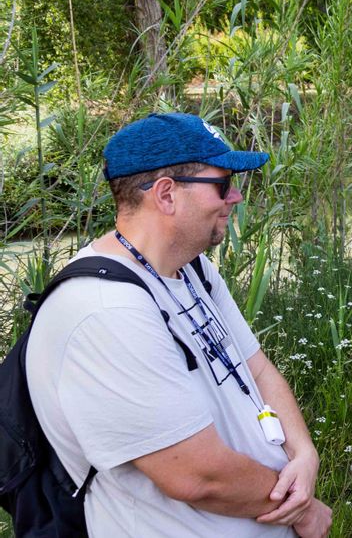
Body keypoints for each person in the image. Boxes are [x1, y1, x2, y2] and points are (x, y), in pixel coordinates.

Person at [25, 113, 332, 537]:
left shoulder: (192, 269)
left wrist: (304, 455)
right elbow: (196, 474)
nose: (236, 197)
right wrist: (302, 509)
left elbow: (256, 368)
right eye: (223, 184)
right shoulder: (105, 309)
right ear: (166, 194)